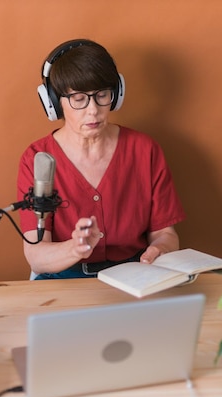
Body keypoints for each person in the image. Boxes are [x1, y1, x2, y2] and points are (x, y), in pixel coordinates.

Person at [17, 39, 185, 280]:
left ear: (115, 95)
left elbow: (165, 233)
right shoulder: (37, 158)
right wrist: (74, 248)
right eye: (79, 99)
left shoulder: (145, 149)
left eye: (101, 95)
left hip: (134, 274)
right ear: (54, 102)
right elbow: (36, 255)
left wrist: (161, 249)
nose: (93, 110)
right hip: (63, 277)